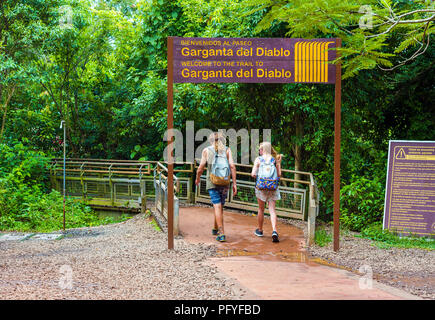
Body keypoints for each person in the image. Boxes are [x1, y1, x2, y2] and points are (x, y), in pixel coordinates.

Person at [195, 132, 237, 242]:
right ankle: (215, 228)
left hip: (212, 182)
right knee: (219, 206)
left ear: (210, 140)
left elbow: (200, 168)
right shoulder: (227, 150)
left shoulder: (207, 150)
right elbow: (232, 166)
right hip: (225, 182)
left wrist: (197, 178)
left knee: (217, 206)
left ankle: (222, 233)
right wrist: (235, 184)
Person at [251, 142, 282, 242]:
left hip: (261, 188)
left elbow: (253, 174)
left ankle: (260, 230)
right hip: (273, 187)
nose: (259, 151)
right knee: (272, 210)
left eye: (260, 149)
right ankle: (274, 231)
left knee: (261, 209)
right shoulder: (275, 159)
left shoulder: (258, 159)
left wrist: (259, 177)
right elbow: (279, 174)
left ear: (263, 150)